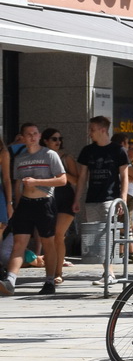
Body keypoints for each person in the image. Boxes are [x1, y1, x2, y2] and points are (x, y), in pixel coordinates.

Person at [1, 124, 66, 296]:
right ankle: (11, 280)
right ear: (22, 137)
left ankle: (50, 281)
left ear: (39, 136)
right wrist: (13, 204)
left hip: (45, 203)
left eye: (35, 133)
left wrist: (37, 182)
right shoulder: (20, 158)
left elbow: (62, 180)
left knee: (48, 243)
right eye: (28, 134)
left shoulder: (49, 154)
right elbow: (17, 183)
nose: (32, 137)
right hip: (25, 203)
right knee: (18, 243)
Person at [41, 129, 75, 293]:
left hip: (65, 199)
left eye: (60, 139)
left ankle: (58, 273)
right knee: (49, 236)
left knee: (58, 234)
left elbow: (77, 179)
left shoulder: (65, 158)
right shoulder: (42, 156)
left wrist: (62, 173)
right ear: (46, 140)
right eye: (54, 139)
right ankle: (51, 272)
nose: (58, 142)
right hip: (48, 198)